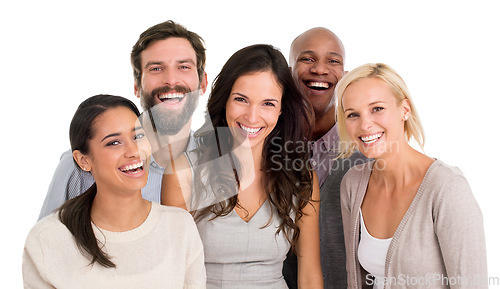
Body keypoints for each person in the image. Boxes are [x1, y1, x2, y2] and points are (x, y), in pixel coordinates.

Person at [163, 44, 324, 288]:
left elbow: (310, 276)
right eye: (241, 99)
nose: (251, 116)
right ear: (224, 100)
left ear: (282, 109)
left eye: (267, 103)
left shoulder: (301, 177)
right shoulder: (183, 173)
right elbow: (172, 275)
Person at [23, 94, 206, 288]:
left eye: (138, 136)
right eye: (114, 143)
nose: (134, 151)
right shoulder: (47, 240)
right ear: (83, 160)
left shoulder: (180, 227)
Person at [337, 63, 487, 289]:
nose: (365, 124)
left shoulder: (447, 188)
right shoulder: (353, 184)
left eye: (377, 108)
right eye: (353, 114)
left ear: (404, 110)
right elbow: (355, 279)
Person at [37, 20, 207, 219]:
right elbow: (46, 245)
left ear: (203, 82)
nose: (171, 80)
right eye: (156, 69)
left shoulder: (218, 169)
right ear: (137, 85)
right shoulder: (83, 164)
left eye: (184, 67)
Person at [284, 27, 367, 289]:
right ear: (288, 71)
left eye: (333, 60)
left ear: (344, 74)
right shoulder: (263, 138)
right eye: (307, 59)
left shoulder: (366, 146)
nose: (320, 69)